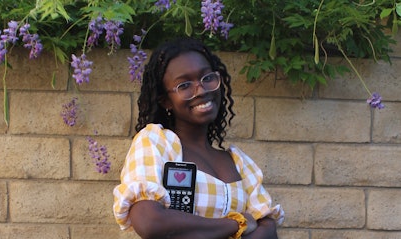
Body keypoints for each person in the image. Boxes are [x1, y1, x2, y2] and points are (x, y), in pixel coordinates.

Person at [113, 37, 284, 239]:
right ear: (166, 101)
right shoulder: (156, 142)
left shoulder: (239, 163)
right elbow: (150, 222)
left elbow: (268, 229)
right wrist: (235, 224)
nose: (201, 90)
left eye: (207, 78)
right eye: (184, 85)